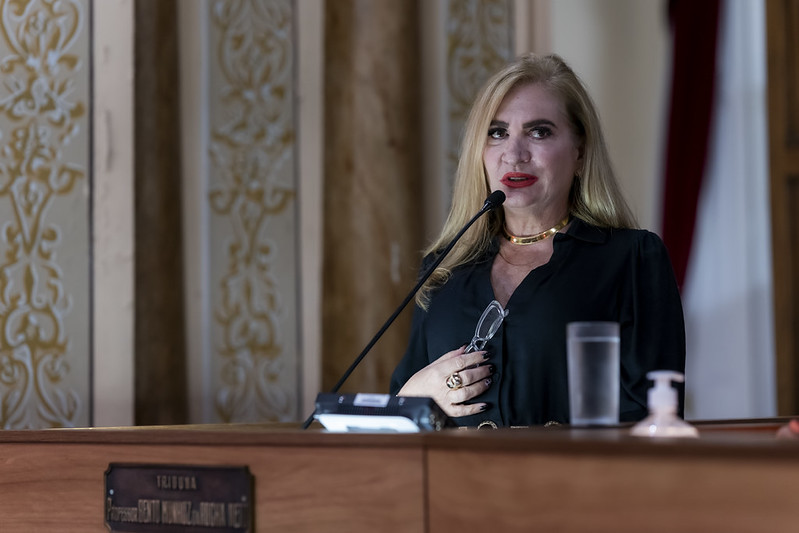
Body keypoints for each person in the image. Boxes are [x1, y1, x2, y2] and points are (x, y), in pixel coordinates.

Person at [390, 53, 685, 428]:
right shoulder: (443, 269)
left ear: (580, 152)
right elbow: (395, 426)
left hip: (572, 468)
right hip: (452, 469)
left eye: (539, 132)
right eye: (497, 133)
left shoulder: (632, 260)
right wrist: (414, 397)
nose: (514, 155)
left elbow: (655, 422)